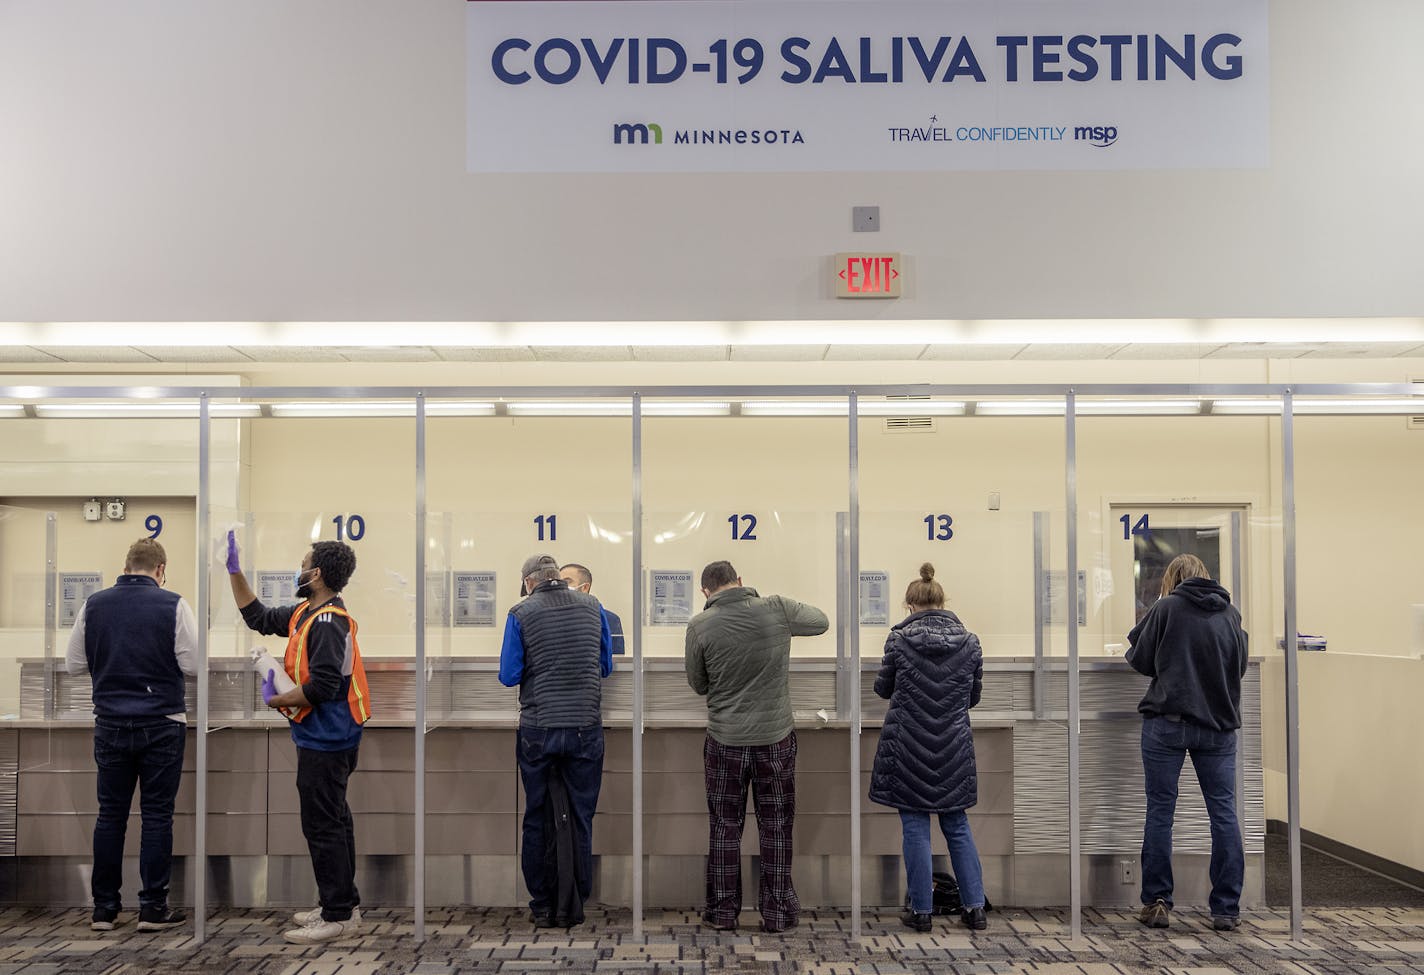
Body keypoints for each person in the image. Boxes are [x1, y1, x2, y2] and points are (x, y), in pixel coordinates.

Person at [226, 532, 371, 945]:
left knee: (323, 825)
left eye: (304, 564)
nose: (299, 569)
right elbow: (257, 617)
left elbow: (323, 685)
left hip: (329, 738)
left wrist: (278, 698)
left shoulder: (327, 623)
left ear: (317, 574)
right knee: (334, 821)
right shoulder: (308, 612)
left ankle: (339, 915)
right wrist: (235, 572)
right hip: (325, 735)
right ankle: (340, 904)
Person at [684, 560, 829, 933]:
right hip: (775, 741)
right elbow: (820, 621)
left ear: (705, 592)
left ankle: (722, 913)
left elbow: (698, 684)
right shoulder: (776, 607)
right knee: (777, 827)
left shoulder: (700, 625)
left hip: (725, 742)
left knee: (724, 827)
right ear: (741, 582)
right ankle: (778, 913)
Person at [66, 538, 197, 933]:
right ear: (161, 569)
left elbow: (73, 664)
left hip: (109, 722)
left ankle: (104, 909)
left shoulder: (94, 604)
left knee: (111, 815)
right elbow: (192, 664)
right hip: (162, 722)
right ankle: (152, 909)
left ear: (125, 566)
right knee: (157, 816)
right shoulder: (173, 603)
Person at [1126, 553, 1249, 932]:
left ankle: (1158, 901)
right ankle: (1226, 908)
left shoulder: (1165, 609)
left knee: (1161, 810)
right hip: (1217, 726)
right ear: (1206, 576)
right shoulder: (1230, 614)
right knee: (1224, 813)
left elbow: (1140, 660)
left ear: (1173, 579)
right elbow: (1239, 666)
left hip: (1168, 722)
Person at [869, 563, 988, 933]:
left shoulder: (898, 641)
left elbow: (883, 689)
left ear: (909, 605)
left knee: (915, 827)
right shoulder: (970, 643)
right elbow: (973, 697)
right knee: (957, 824)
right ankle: (975, 909)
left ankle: (921, 912)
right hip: (953, 744)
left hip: (907, 745)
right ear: (942, 601)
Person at [500, 553, 614, 928]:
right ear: (557, 578)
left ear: (529, 582)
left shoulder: (521, 613)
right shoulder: (593, 606)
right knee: (580, 816)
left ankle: (543, 904)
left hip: (539, 728)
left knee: (536, 816)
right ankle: (576, 900)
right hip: (584, 726)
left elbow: (509, 674)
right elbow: (606, 666)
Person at [560, 562, 625, 654]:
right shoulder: (550, 617)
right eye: (559, 582)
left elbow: (615, 659)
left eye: (567, 582)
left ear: (585, 588)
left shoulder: (608, 619)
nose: (561, 586)